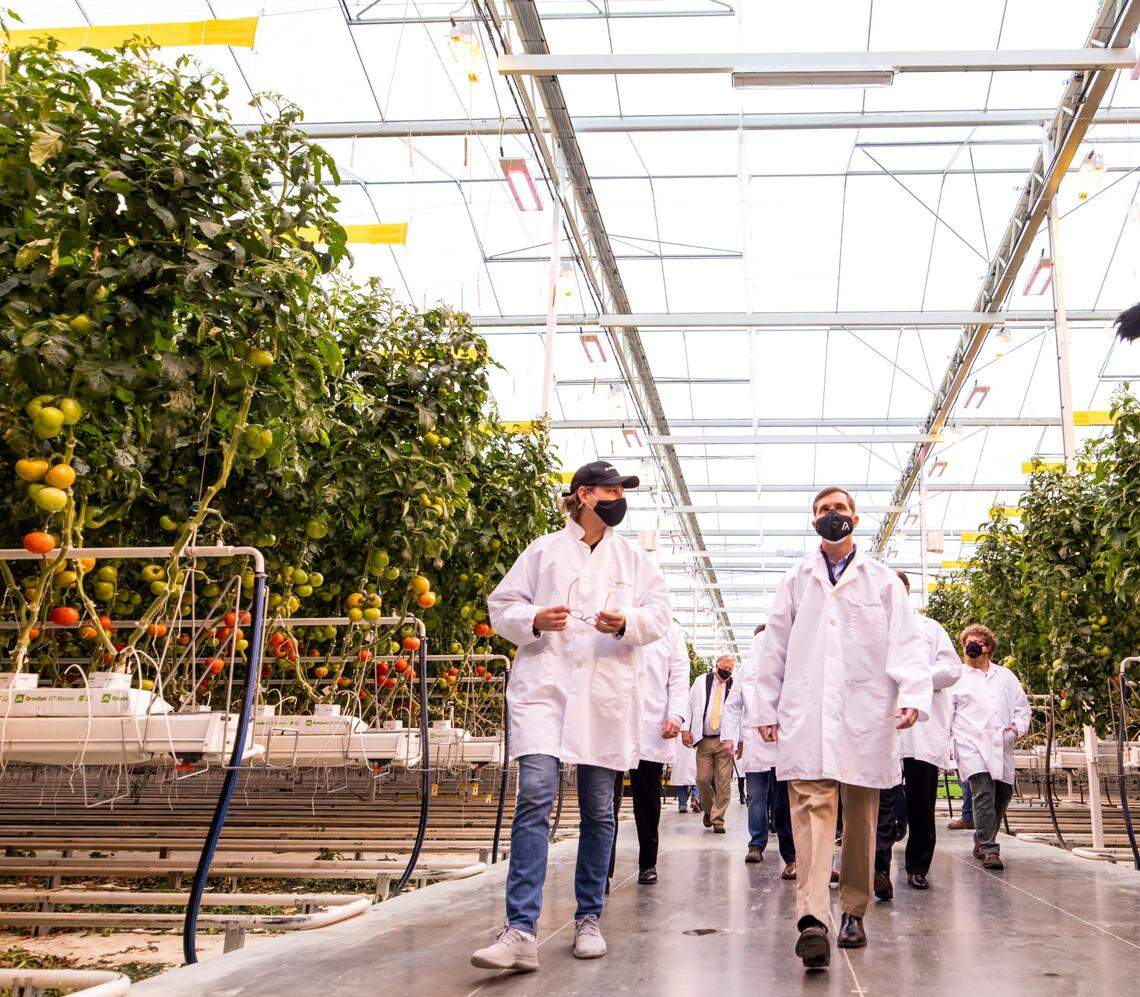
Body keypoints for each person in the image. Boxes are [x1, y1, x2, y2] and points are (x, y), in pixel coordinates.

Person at [471, 460, 670, 973]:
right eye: (610, 490)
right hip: (546, 688)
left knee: (599, 810)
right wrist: (533, 618)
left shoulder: (634, 560)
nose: (618, 498)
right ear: (584, 495)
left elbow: (659, 617)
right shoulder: (543, 551)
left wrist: (627, 621)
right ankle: (519, 929)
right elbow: (502, 606)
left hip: (604, 697)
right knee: (535, 795)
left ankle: (588, 917)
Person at [749, 486, 931, 970]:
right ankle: (812, 919)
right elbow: (774, 650)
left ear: (856, 518)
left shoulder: (883, 581)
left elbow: (906, 643)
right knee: (811, 813)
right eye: (824, 510)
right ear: (813, 522)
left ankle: (853, 910)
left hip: (866, 716)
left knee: (861, 820)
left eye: (841, 509)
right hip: (807, 716)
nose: (834, 516)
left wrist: (913, 694)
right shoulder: (796, 580)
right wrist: (765, 709)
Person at [873, 572, 963, 900]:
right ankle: (879, 868)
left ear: (907, 591)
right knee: (883, 802)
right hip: (883, 729)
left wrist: (917, 678)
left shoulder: (930, 628)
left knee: (922, 803)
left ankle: (917, 867)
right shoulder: (871, 629)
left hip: (922, 731)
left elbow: (952, 670)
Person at [608, 621, 689, 887]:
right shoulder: (615, 617)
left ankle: (647, 864)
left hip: (652, 725)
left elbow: (678, 676)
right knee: (606, 801)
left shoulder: (669, 630)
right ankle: (601, 871)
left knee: (647, 800)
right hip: (614, 718)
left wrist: (676, 714)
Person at [949, 624, 1031, 872]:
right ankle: (989, 849)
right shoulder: (957, 677)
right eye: (967, 644)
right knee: (983, 791)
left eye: (975, 643)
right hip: (970, 743)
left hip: (1002, 744)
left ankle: (981, 838)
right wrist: (947, 745)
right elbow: (946, 714)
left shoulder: (1005, 676)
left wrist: (1017, 727)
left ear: (989, 648)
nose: (970, 648)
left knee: (1001, 796)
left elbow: (1022, 707)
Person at [721, 624, 796, 876]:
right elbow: (732, 706)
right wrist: (729, 737)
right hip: (755, 742)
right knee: (756, 796)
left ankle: (791, 853)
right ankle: (756, 843)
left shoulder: (787, 667)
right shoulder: (745, 671)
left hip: (782, 741)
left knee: (783, 801)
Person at [682, 655, 736, 833]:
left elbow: (739, 711)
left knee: (723, 782)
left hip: (724, 740)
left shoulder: (734, 685)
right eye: (724, 667)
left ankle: (718, 818)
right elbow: (688, 705)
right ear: (717, 665)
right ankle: (709, 808)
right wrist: (685, 729)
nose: (727, 671)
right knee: (702, 779)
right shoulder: (700, 682)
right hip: (704, 739)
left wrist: (738, 739)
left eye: (730, 669)